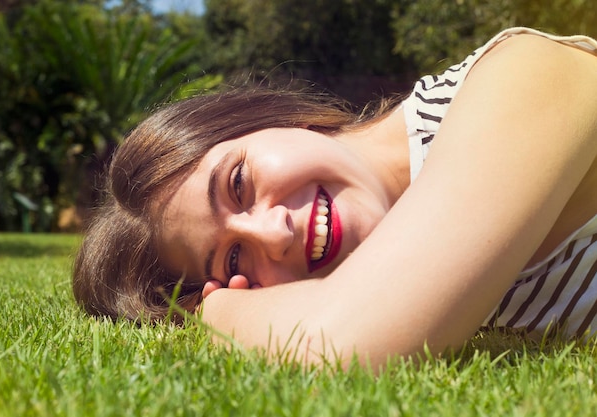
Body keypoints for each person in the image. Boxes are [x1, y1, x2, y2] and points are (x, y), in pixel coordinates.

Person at [73, 27, 597, 369]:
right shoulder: (403, 270)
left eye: (238, 184)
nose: (274, 235)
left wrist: (219, 311)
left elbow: (347, 345)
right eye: (234, 259)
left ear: (273, 120)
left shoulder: (522, 78)